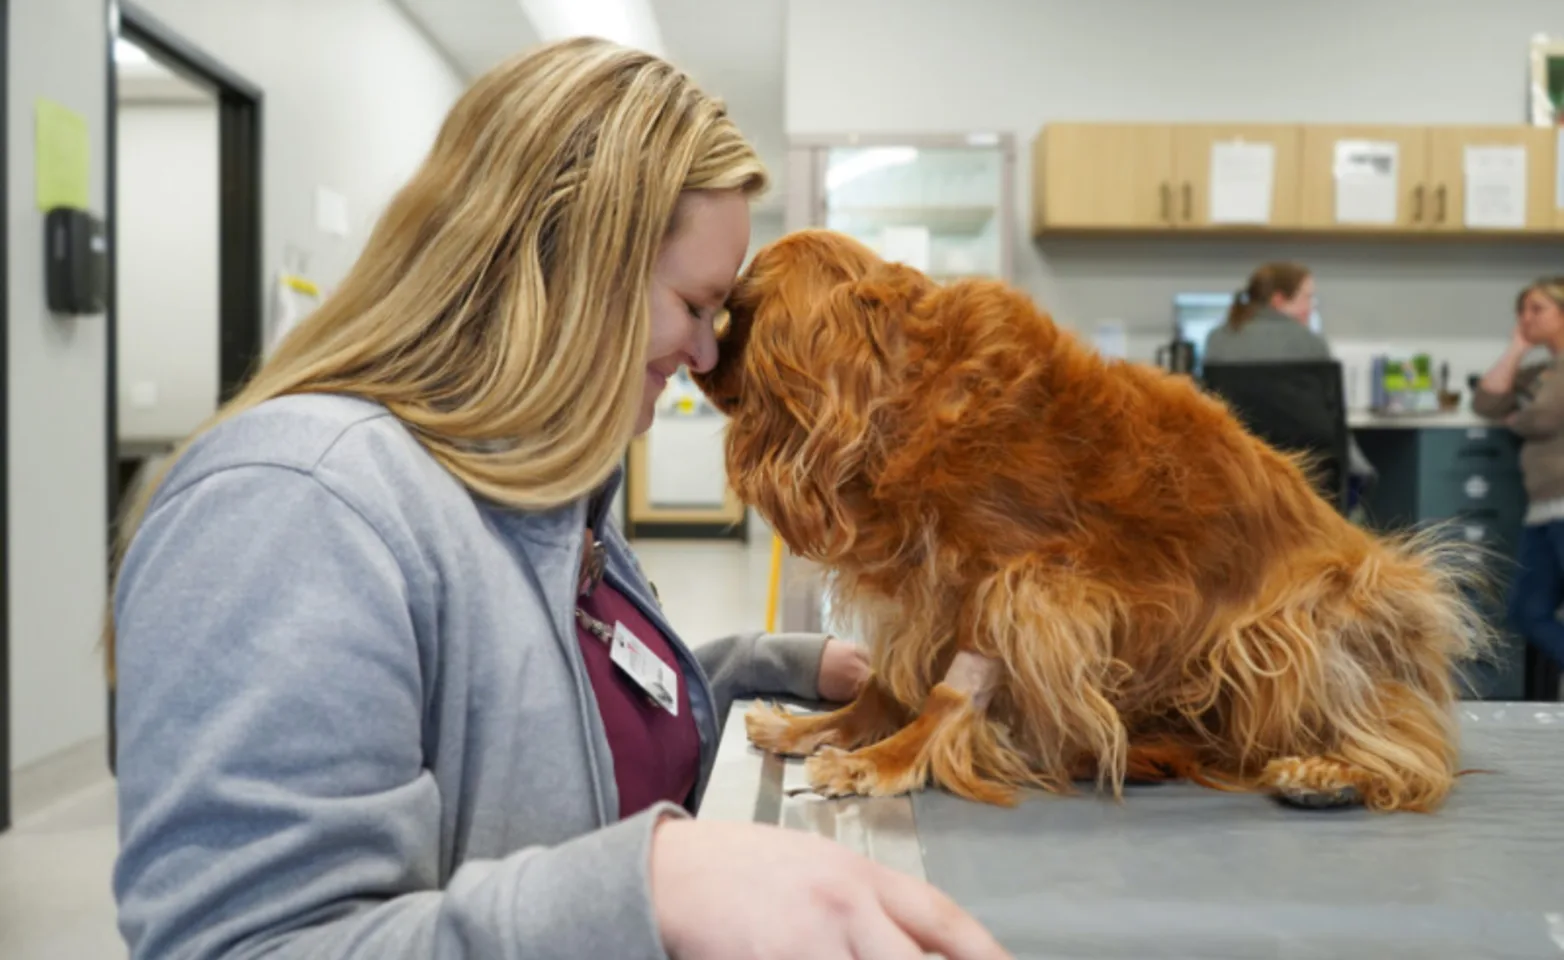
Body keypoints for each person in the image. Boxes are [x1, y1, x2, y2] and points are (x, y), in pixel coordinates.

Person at [107, 38, 1010, 960]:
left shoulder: (539, 490)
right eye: (695, 307)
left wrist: (763, 663)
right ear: (573, 266)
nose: (707, 359)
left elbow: (542, 717)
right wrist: (651, 888)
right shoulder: (293, 506)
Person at [1202, 262, 1376, 491]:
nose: (1310, 307)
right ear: (1278, 300)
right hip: (1307, 479)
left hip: (1241, 476)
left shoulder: (1217, 340)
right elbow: (1330, 423)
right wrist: (1361, 471)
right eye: (1306, 298)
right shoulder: (1310, 342)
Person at [1474, 277, 1564, 677]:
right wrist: (1517, 348)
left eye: (1536, 309)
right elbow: (1487, 401)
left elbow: (1543, 417)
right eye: (1521, 310)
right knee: (1527, 611)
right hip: (1544, 506)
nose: (1525, 318)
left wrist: (1518, 419)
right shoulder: (1543, 371)